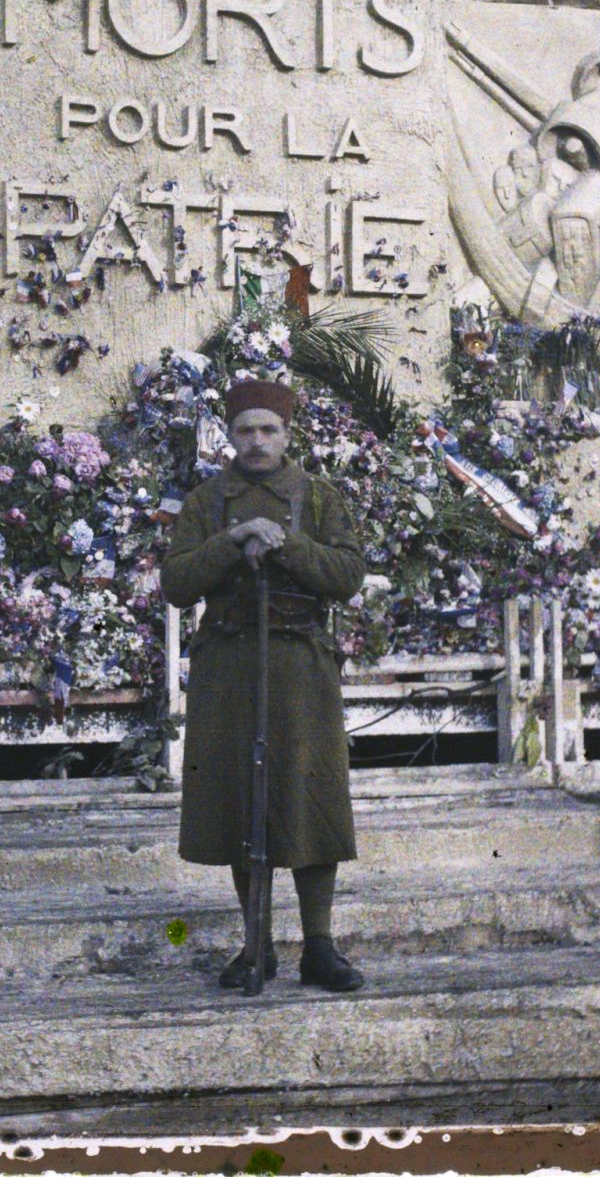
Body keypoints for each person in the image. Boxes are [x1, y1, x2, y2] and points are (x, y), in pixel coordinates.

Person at [160, 378, 370, 992]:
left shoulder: (319, 497)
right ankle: (256, 948)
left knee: (310, 799)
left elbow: (348, 574)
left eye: (268, 430)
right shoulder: (207, 501)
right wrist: (228, 543)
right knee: (238, 801)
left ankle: (319, 948)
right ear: (229, 435)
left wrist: (289, 546)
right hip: (228, 670)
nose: (257, 442)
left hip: (300, 669)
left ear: (287, 435)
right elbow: (175, 583)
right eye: (246, 430)